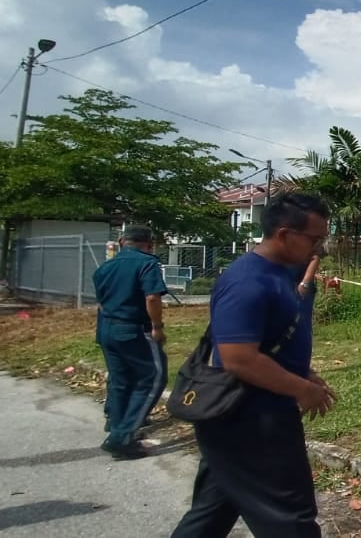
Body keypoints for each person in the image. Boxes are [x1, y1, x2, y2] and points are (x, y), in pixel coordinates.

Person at [171, 193, 336, 538]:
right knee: (290, 516)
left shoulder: (278, 273)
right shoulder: (247, 281)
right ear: (285, 234)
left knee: (214, 509)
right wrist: (301, 389)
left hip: (248, 415)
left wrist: (302, 371)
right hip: (250, 421)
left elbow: (267, 342)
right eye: (315, 239)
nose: (320, 248)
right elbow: (238, 357)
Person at [93, 225, 168, 460]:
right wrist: (157, 327)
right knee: (153, 377)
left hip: (107, 327)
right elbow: (152, 297)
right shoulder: (147, 263)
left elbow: (102, 301)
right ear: (149, 244)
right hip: (133, 328)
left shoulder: (105, 267)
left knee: (120, 378)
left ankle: (115, 421)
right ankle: (121, 438)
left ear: (122, 241)